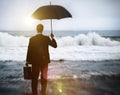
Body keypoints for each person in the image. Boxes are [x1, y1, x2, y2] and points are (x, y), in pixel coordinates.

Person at [26, 24, 57, 95]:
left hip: (35, 62)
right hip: (44, 61)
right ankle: (43, 92)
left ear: (36, 29)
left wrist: (27, 60)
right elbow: (55, 46)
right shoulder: (46, 38)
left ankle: (34, 93)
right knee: (44, 77)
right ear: (42, 29)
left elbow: (29, 50)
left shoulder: (32, 39)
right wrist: (52, 38)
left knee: (34, 78)